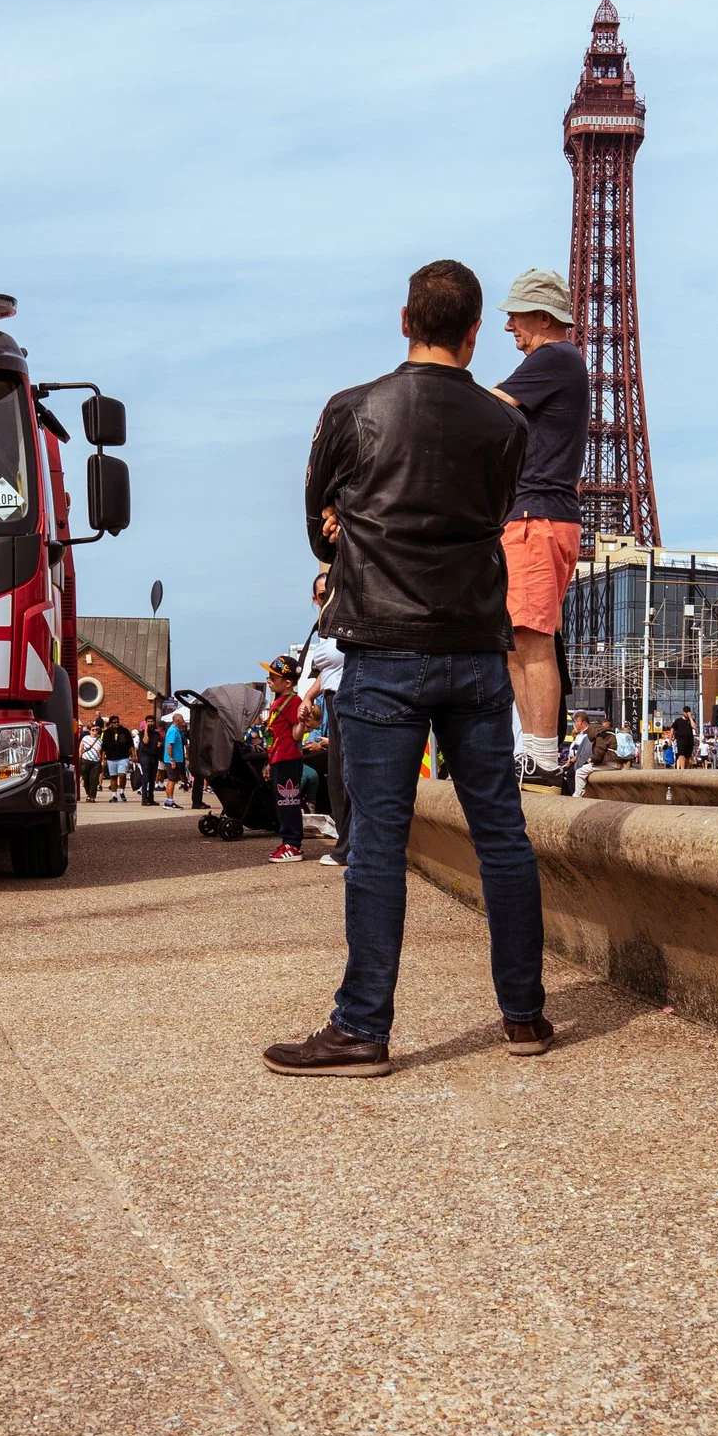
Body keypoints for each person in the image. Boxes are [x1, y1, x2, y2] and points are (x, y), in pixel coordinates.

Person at [264, 259, 548, 1077]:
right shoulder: (507, 425)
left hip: (383, 649)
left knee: (380, 841)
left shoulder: (354, 411)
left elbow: (320, 536)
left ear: (403, 320)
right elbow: (493, 514)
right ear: (473, 332)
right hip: (473, 647)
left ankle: (362, 1028)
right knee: (503, 835)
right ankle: (523, 1013)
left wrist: (348, 526)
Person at [486, 268, 590, 789]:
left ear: (544, 317)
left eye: (516, 314)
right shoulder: (559, 363)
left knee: (530, 641)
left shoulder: (555, 357)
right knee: (515, 642)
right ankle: (534, 752)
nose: (508, 326)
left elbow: (487, 408)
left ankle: (544, 757)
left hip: (536, 519)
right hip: (536, 517)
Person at [297, 567, 350, 862]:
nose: (327, 597)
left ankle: (349, 848)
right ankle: (346, 844)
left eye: (332, 590)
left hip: (347, 699)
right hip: (332, 699)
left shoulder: (347, 619)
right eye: (321, 594)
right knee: (336, 781)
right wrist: (308, 695)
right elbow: (328, 671)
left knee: (346, 777)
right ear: (315, 600)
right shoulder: (325, 625)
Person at [260, 656, 307, 863]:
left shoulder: (293, 702)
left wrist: (303, 721)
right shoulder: (279, 701)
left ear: (287, 683)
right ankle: (288, 840)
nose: (269, 679)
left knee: (289, 802)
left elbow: (296, 734)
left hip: (288, 759)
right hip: (279, 758)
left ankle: (293, 843)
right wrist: (270, 762)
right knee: (282, 802)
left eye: (273, 676)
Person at [102, 717, 133, 802]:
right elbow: (104, 746)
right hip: (111, 757)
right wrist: (103, 758)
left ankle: (122, 791)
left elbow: (131, 744)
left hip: (123, 756)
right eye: (114, 722)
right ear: (111, 723)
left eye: (117, 722)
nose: (116, 724)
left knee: (122, 775)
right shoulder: (107, 732)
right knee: (113, 777)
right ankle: (114, 795)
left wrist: (134, 755)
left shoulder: (124, 731)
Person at [79, 720, 103, 801]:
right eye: (93, 730)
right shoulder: (85, 738)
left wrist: (102, 760)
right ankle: (88, 794)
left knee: (94, 779)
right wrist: (79, 759)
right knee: (86, 779)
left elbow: (101, 751)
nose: (95, 731)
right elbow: (81, 749)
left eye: (96, 729)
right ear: (89, 731)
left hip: (96, 762)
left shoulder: (100, 740)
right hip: (85, 761)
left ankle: (92, 796)